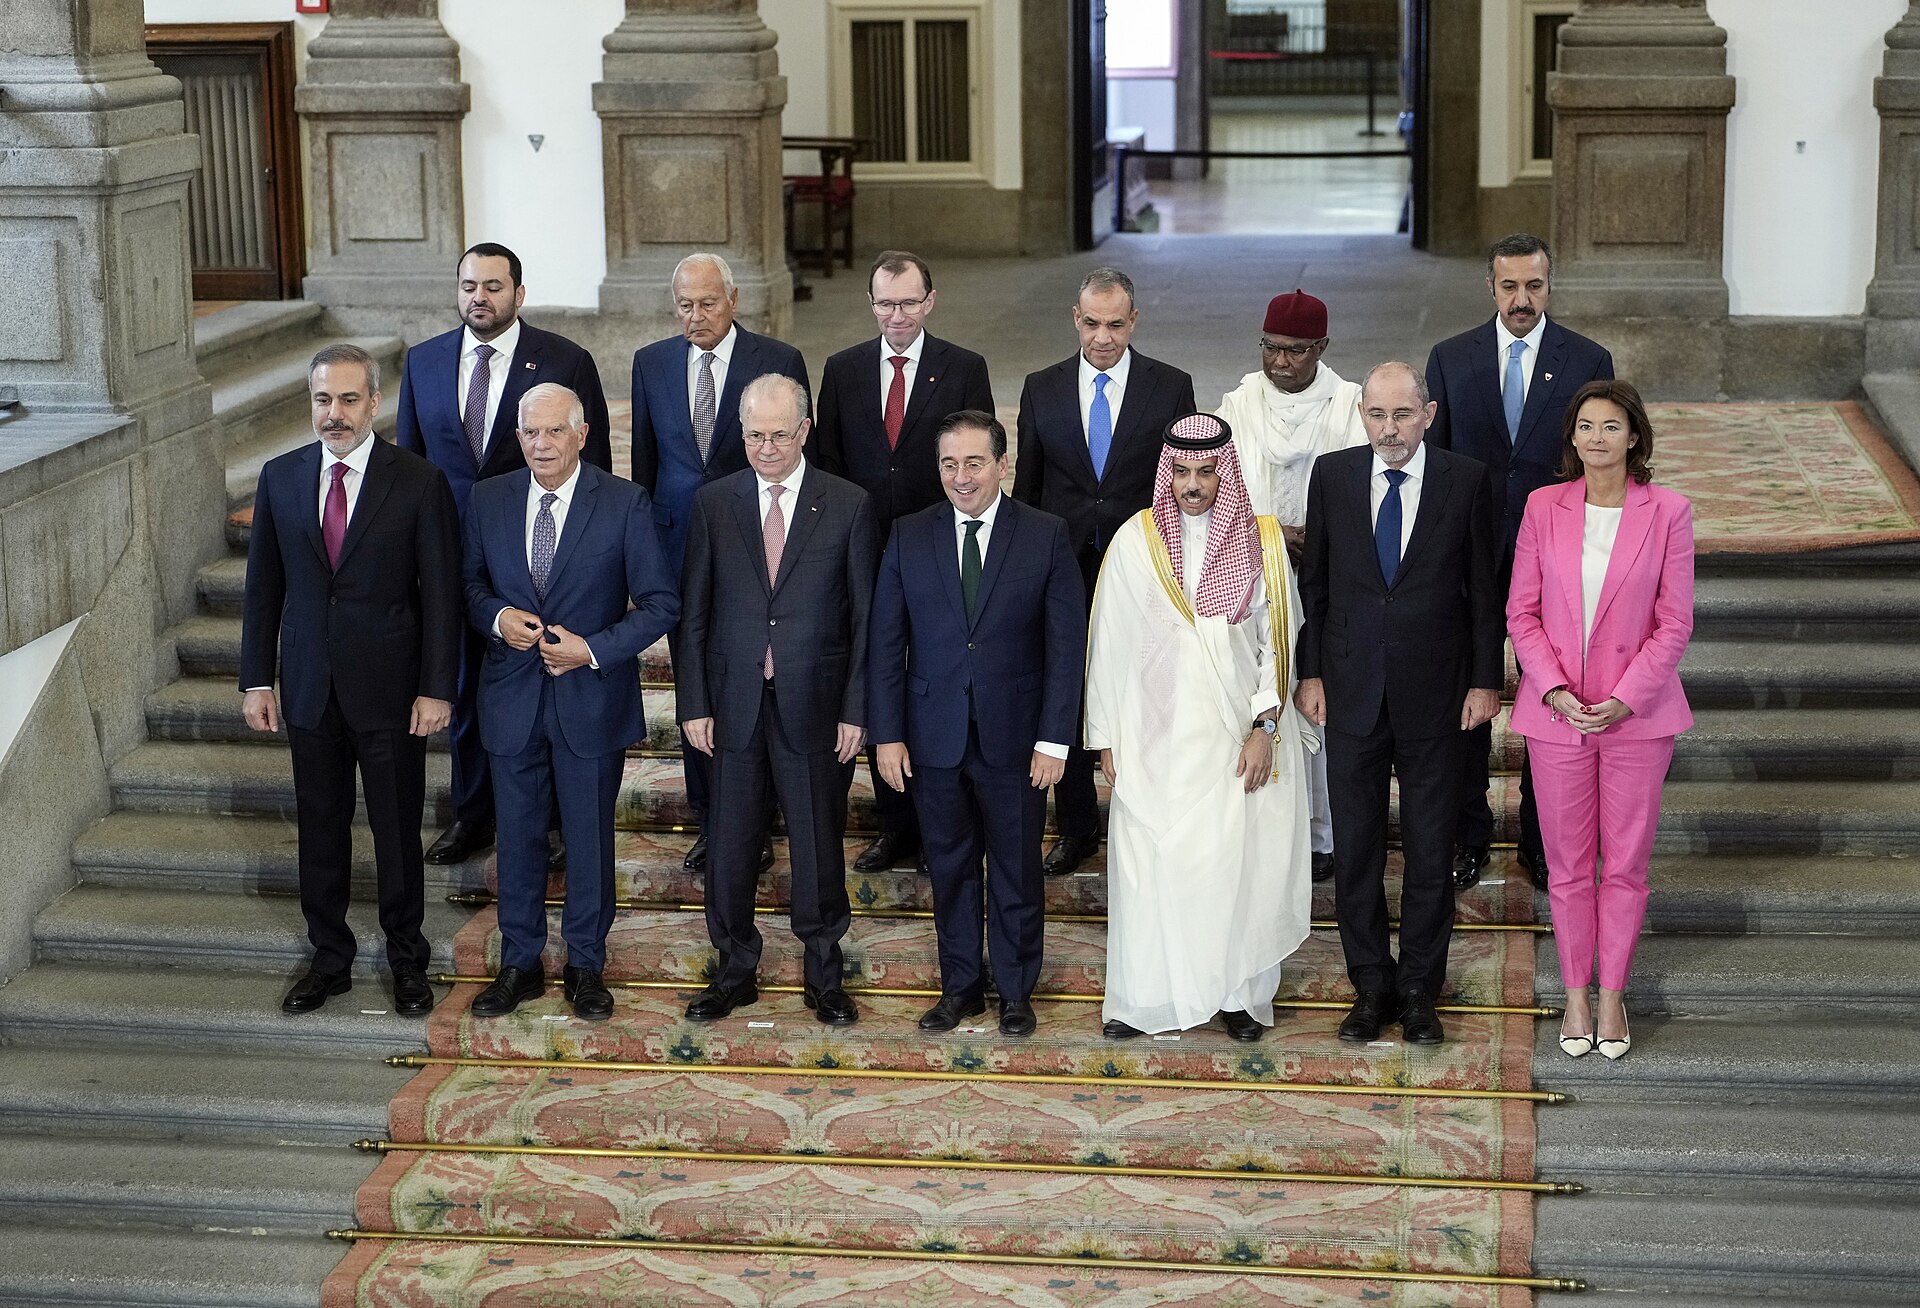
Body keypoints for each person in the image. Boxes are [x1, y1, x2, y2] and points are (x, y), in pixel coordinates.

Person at [241, 343, 461, 1017]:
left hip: (393, 691)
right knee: (321, 829)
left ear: (373, 402)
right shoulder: (280, 478)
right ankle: (329, 959)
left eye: (346, 399)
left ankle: (406, 959)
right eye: (321, 400)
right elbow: (263, 590)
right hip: (309, 687)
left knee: (397, 832)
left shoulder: (419, 481)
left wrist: (436, 686)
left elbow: (442, 596)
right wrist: (257, 680)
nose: (333, 414)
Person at [1085, 413, 1315, 1043]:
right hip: (1154, 740)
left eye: (1206, 471)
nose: (1193, 484)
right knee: (1153, 867)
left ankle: (1238, 994)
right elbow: (1109, 643)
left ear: (1226, 472)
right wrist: (1105, 736)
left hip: (1237, 739)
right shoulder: (1136, 541)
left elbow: (1279, 643)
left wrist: (1266, 726)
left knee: (1239, 868)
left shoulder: (1262, 543)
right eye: (1182, 472)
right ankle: (1144, 998)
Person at [1294, 362, 1503, 1047]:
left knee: (1427, 847)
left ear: (1429, 414)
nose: (1390, 430)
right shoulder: (1330, 476)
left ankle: (1418, 987)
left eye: (1403, 416)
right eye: (1378, 416)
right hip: (1351, 694)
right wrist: (1312, 673)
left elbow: (1482, 592)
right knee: (1355, 852)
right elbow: (1315, 587)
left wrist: (1483, 681)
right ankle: (1370, 986)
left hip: (1437, 698)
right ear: (1362, 414)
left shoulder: (1465, 480)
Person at [462, 384, 679, 1022]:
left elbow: (662, 603)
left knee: (587, 839)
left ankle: (586, 963)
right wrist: (497, 615)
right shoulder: (488, 498)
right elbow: (467, 585)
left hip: (589, 698)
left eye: (555, 432)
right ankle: (520, 963)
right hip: (511, 700)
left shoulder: (623, 503)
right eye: (531, 433)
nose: (541, 445)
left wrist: (592, 650)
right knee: (520, 837)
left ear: (582, 435)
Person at [395, 242, 613, 870]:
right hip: (449, 557)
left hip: (538, 554)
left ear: (519, 293)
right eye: (468, 285)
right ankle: (473, 814)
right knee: (462, 688)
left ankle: (549, 822)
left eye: (493, 285)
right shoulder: (425, 361)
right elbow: (411, 467)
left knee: (540, 687)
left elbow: (594, 469)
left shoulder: (566, 360)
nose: (478, 297)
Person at [867, 410, 1084, 1038]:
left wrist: (1054, 739)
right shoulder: (908, 534)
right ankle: (959, 987)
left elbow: (1066, 647)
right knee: (950, 868)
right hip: (931, 738)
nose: (961, 477)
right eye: (949, 464)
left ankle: (1015, 991)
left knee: (1016, 868)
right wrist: (887, 733)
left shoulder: (1044, 534)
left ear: (1002, 465)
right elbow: (887, 642)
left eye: (975, 463)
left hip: (1017, 741)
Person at [676, 375, 877, 1027]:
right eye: (755, 435)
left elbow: (866, 618)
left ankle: (824, 974)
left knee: (818, 846)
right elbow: (695, 613)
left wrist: (857, 709)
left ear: (805, 430)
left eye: (779, 435)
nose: (766, 447)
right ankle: (735, 969)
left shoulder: (847, 504)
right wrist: (694, 703)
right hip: (732, 704)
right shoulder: (714, 502)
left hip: (816, 705)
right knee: (729, 847)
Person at [1507, 380, 1694, 1061]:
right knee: (1567, 866)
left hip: (1635, 719)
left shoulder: (1668, 511)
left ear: (1634, 436)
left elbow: (1674, 623)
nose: (1595, 438)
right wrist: (1553, 690)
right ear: (1572, 438)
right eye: (1585, 426)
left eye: (1610, 426)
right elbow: (1521, 613)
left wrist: (1627, 696)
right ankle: (1575, 993)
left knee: (1626, 865)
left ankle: (1613, 992)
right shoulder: (1542, 507)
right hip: (1557, 718)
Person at [1425, 233, 1614, 890]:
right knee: (1469, 704)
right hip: (1470, 558)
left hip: (1556, 563)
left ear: (1549, 286)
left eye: (1533, 286)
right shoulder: (1451, 359)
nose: (1522, 299)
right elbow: (1435, 468)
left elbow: (1598, 465)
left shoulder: (1588, 360)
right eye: (1509, 286)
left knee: (1550, 702)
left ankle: (1541, 841)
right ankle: (1468, 836)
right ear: (1491, 287)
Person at [812, 250, 995, 877]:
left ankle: (943, 826)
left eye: (909, 302)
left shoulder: (964, 368)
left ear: (930, 301)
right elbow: (829, 462)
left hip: (939, 548)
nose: (897, 315)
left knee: (938, 679)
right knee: (878, 675)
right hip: (863, 549)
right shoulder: (842, 369)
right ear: (871, 305)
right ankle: (895, 828)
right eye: (886, 303)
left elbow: (978, 453)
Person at [1011, 267, 1197, 876]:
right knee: (1064, 685)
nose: (1103, 337)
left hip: (1142, 563)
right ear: (1075, 318)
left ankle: (1144, 816)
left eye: (1116, 325)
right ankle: (1076, 825)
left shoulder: (1170, 387)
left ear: (1134, 322)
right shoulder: (1042, 388)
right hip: (1062, 562)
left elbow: (1187, 482)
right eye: (1092, 323)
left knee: (1142, 689)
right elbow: (1030, 490)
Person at [631, 252, 810, 874]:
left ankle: (759, 822)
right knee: (696, 690)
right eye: (685, 304)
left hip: (758, 551)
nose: (695, 316)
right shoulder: (650, 363)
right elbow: (648, 472)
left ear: (733, 301)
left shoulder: (778, 360)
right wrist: (647, 564)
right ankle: (712, 821)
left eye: (708, 303)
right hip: (682, 552)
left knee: (754, 692)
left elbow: (792, 459)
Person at [1214, 287, 1368, 884]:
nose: (1280, 363)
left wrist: (1319, 538)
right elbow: (1210, 495)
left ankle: (1323, 835)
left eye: (1296, 352)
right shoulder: (1236, 407)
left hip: (1330, 585)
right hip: (1252, 582)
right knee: (1259, 702)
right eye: (1271, 349)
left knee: (1319, 706)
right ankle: (1267, 828)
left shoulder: (1352, 408)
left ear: (1322, 348)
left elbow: (1369, 493)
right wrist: (1274, 536)